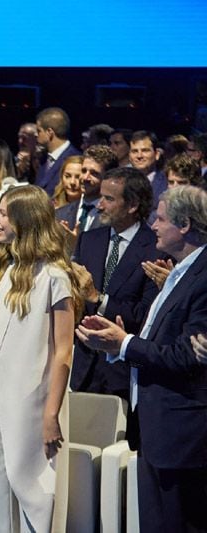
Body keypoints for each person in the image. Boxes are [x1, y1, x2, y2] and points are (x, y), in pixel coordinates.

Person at [76, 185, 207, 532]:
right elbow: (164, 343)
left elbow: (187, 357)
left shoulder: (203, 276)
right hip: (156, 426)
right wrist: (116, 347)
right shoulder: (181, 270)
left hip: (181, 436)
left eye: (161, 219)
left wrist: (125, 344)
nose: (153, 226)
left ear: (186, 225)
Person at [0, 185, 81, 532]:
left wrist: (51, 414)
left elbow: (63, 351)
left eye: (2, 213)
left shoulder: (56, 277)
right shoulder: (7, 271)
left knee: (34, 491)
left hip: (32, 400)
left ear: (25, 221)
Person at [70, 167, 161, 400]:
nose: (99, 205)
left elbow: (144, 315)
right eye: (101, 197)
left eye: (109, 199)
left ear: (132, 205)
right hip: (82, 371)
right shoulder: (89, 241)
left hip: (122, 375)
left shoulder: (155, 250)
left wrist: (99, 299)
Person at [35, 107, 81, 196]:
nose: (36, 134)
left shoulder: (74, 159)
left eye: (39, 131)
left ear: (49, 132)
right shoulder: (43, 158)